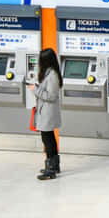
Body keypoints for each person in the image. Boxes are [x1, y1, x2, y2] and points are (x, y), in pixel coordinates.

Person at [30, 48, 63, 180]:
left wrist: (35, 90)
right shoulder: (49, 73)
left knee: (48, 140)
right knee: (49, 139)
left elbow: (51, 96)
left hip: (48, 113)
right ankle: (54, 166)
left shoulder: (52, 75)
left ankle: (51, 169)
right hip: (45, 112)